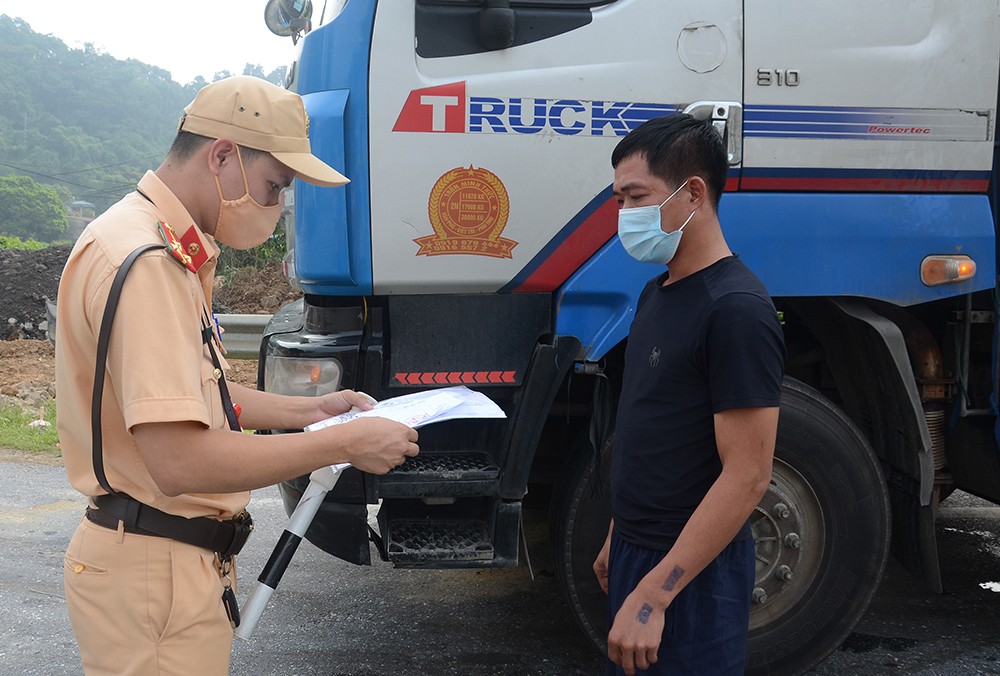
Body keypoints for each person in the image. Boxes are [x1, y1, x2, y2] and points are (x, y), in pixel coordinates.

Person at [55, 75, 419, 675]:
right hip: (155, 574)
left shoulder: (151, 243)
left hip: (159, 566)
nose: (277, 206)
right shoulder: (148, 263)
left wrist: (312, 412)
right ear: (222, 154)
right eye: (275, 186)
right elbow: (181, 461)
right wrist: (342, 443)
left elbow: (200, 395)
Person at [592, 114, 786, 675]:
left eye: (636, 196)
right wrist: (617, 533)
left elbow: (747, 475)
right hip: (638, 551)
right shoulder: (659, 293)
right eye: (619, 199)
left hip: (691, 575)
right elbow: (648, 428)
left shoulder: (736, 311)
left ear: (693, 193)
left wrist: (656, 593)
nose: (624, 215)